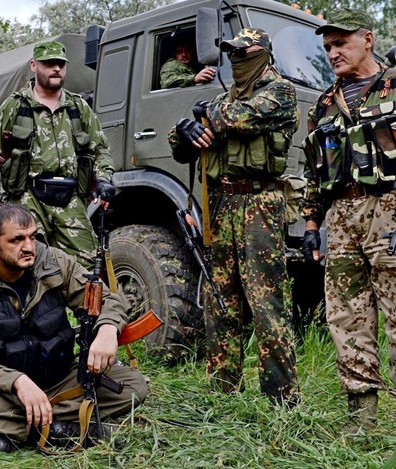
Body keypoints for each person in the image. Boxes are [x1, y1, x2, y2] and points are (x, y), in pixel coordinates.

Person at [0, 203, 148, 452]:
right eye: (16, 240)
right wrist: (16, 381)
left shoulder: (54, 263)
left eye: (32, 237)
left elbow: (106, 300)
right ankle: (61, 429)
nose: (28, 247)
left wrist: (108, 329)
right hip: (4, 392)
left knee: (133, 385)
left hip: (60, 379)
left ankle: (22, 429)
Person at [168, 28, 300, 406]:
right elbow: (180, 149)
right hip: (222, 207)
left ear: (264, 54)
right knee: (220, 299)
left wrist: (201, 113)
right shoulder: (222, 100)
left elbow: (236, 119)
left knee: (266, 302)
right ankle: (222, 391)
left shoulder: (280, 92)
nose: (236, 59)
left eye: (245, 52)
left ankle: (281, 401)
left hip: (259, 206)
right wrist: (184, 130)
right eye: (231, 53)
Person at [301, 8, 396, 434]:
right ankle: (363, 420)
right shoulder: (324, 103)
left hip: (390, 210)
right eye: (327, 48)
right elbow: (311, 172)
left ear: (368, 39)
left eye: (340, 43)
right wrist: (310, 225)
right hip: (340, 218)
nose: (333, 53)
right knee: (346, 317)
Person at [0, 40, 116, 270]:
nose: (56, 69)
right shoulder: (15, 106)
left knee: (88, 266)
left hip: (70, 197)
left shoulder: (78, 107)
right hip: (27, 197)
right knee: (27, 265)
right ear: (34, 66)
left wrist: (103, 178)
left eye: (61, 64)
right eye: (49, 63)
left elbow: (100, 148)